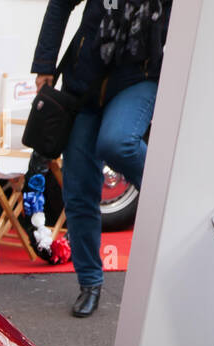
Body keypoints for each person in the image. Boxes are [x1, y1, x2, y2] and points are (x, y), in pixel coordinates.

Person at [33, 0, 172, 318]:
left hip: (139, 78)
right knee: (78, 187)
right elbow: (59, 6)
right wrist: (44, 65)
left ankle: (170, 197)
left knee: (117, 141)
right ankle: (90, 283)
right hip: (84, 82)